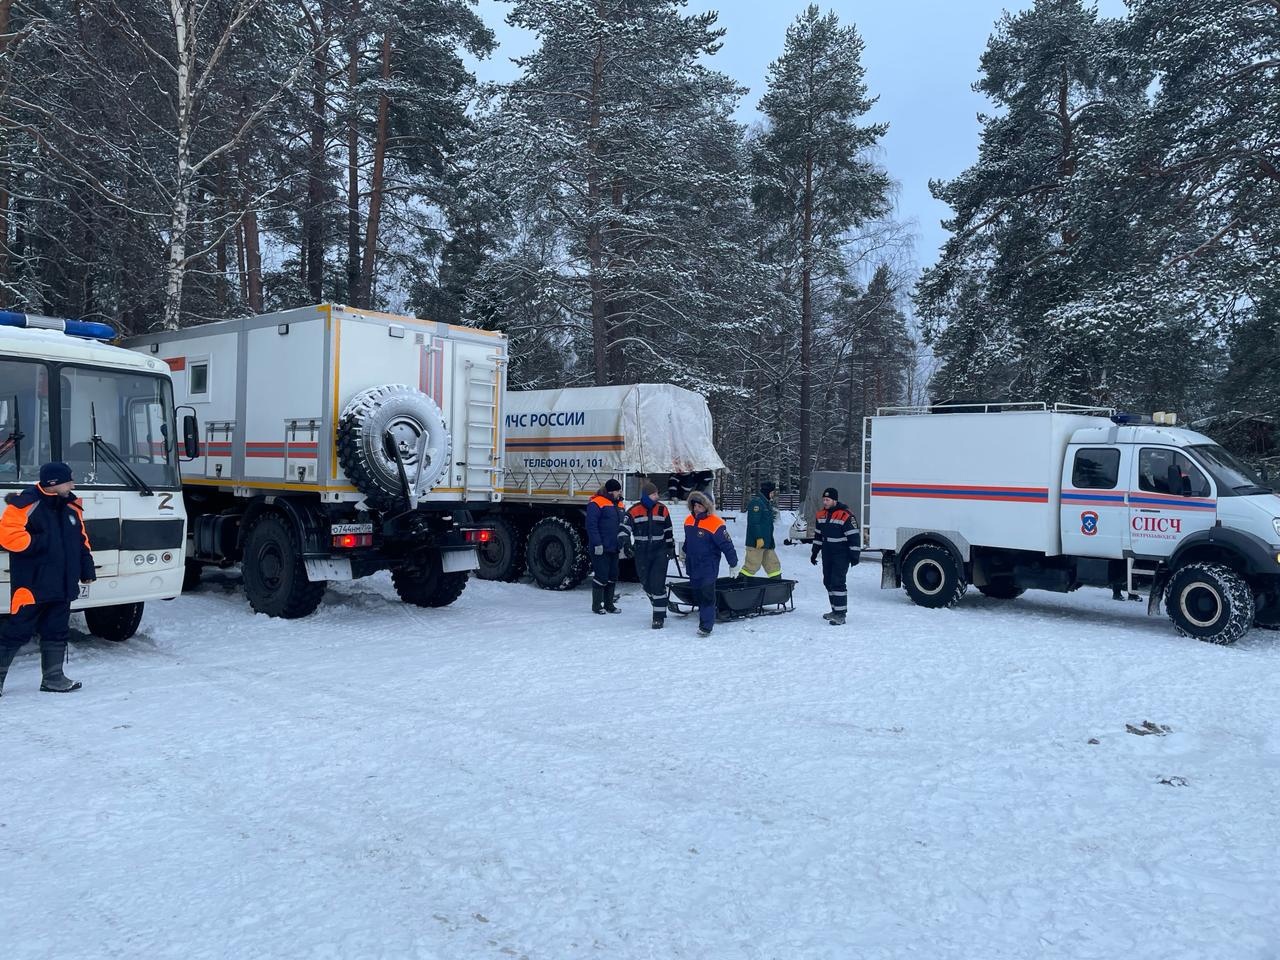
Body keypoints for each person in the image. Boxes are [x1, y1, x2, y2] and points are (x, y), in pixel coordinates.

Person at [0, 461, 96, 695]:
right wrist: (44, 542)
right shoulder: (26, 502)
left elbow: (81, 541)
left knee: (56, 631)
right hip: (32, 584)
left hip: (63, 584)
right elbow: (7, 537)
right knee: (16, 633)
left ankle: (53, 678)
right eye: (68, 480)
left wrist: (87, 568)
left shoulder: (71, 506)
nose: (72, 484)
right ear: (53, 483)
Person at [681, 491, 738, 637]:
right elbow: (688, 540)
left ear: (707, 507)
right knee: (698, 593)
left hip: (708, 566)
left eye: (700, 506)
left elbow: (727, 545)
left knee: (707, 595)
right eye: (695, 506)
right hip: (693, 564)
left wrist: (733, 563)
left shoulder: (716, 523)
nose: (697, 509)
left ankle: (706, 625)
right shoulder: (688, 520)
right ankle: (708, 614)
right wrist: (683, 552)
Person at [623, 481, 675, 629]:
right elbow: (624, 529)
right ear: (646, 496)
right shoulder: (634, 510)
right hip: (641, 552)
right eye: (654, 494)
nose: (657, 496)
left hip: (660, 552)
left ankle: (658, 618)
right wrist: (626, 545)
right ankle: (662, 603)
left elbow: (668, 530)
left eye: (657, 493)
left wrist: (670, 547)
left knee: (657, 585)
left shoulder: (662, 509)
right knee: (646, 583)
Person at [810, 486, 860, 626]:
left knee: (838, 583)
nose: (825, 502)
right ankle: (834, 610)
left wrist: (855, 555)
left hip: (841, 554)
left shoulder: (845, 515)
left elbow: (854, 536)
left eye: (828, 500)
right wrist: (814, 552)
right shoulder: (821, 515)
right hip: (827, 553)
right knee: (828, 582)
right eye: (824, 499)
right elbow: (818, 535)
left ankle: (840, 614)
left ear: (834, 500)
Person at [586, 478, 626, 614]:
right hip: (601, 547)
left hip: (614, 547)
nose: (620, 493)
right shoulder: (596, 503)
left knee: (613, 576)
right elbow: (591, 525)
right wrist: (597, 543)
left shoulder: (620, 505)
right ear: (611, 491)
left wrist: (624, 543)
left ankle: (609, 605)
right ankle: (597, 605)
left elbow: (623, 526)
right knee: (601, 576)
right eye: (618, 491)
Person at [740, 480, 781, 579]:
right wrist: (758, 538)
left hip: (767, 543)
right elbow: (754, 523)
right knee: (751, 566)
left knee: (773, 566)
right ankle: (740, 586)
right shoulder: (756, 503)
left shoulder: (766, 503)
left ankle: (777, 587)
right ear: (767, 492)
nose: (772, 495)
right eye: (772, 492)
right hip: (756, 543)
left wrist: (770, 541)